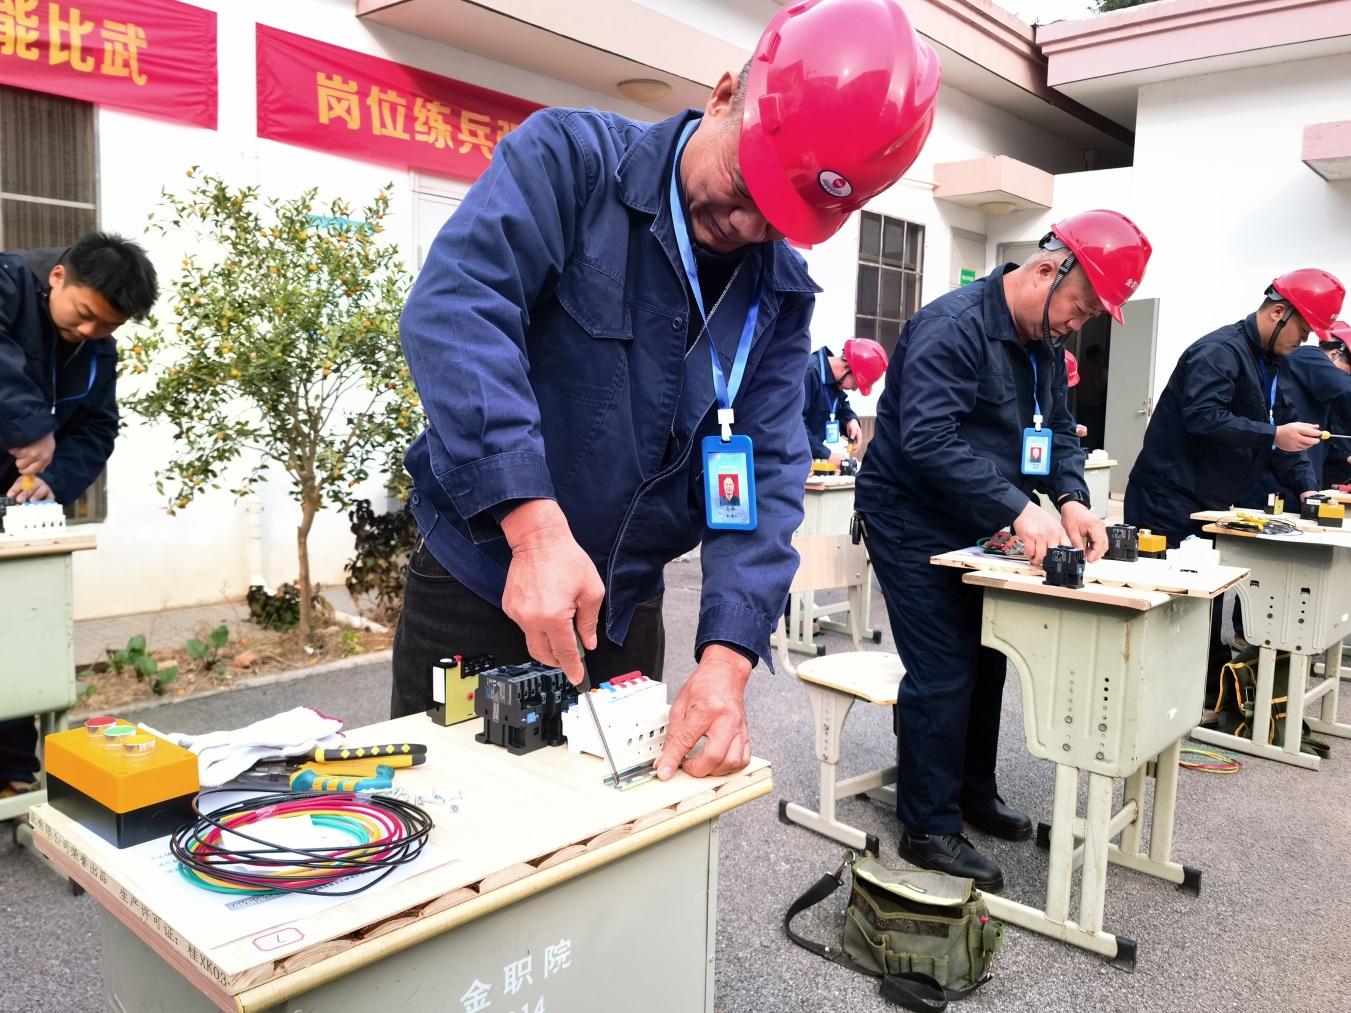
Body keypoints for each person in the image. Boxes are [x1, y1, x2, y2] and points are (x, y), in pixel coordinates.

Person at [392, 0, 940, 782]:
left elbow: (766, 473)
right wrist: (533, 529)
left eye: (779, 218)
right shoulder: (571, 164)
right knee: (447, 825)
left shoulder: (777, 298)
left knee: (610, 833)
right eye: (744, 184)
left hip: (622, 614)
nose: (745, 225)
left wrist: (726, 660)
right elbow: (457, 309)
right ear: (723, 95)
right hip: (481, 581)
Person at [854, 209, 1153, 890]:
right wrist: (1019, 508)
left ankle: (971, 792)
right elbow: (927, 441)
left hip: (975, 517)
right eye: (1078, 307)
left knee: (987, 656)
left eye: (1088, 317)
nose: (1076, 324)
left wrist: (1071, 498)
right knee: (943, 667)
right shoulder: (951, 327)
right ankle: (927, 826)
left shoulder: (1041, 344)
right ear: (1047, 270)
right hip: (908, 516)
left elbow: (1059, 434)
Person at [1124, 268, 1345, 695]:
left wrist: (1307, 487)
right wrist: (1272, 434)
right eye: (1302, 329)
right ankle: (1156, 697)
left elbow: (1283, 434)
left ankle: (1202, 692)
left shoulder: (1273, 363)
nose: (1304, 340)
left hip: (1212, 498)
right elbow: (1204, 418)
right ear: (1278, 312)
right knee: (1168, 601)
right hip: (1167, 497)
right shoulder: (1218, 352)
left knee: (1206, 598)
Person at [0, 232, 158, 797]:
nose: (91, 331)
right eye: (85, 314)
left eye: (108, 326)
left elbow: (97, 427)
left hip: (17, 511)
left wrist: (54, 481)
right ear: (59, 277)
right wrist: (32, 428)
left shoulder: (96, 347)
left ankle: (12, 773)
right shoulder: (7, 283)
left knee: (16, 633)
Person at [1241, 319, 1351, 506]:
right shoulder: (1307, 355)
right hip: (1273, 482)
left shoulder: (1318, 396)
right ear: (1333, 354)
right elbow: (1345, 390)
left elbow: (1321, 444)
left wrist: (1346, 457)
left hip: (1302, 484)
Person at [801, 339, 887, 464]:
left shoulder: (834, 380)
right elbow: (795, 425)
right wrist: (826, 455)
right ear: (846, 367)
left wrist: (851, 421)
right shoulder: (808, 373)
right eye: (856, 383)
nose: (854, 389)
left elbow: (841, 404)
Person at [1075, 344, 1108, 449]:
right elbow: (1098, 387)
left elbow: (1077, 386)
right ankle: (1088, 453)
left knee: (1081, 432)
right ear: (1097, 355)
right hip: (1093, 405)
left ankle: (1080, 451)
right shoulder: (1095, 367)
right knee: (1092, 433)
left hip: (1082, 403)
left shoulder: (1082, 366)